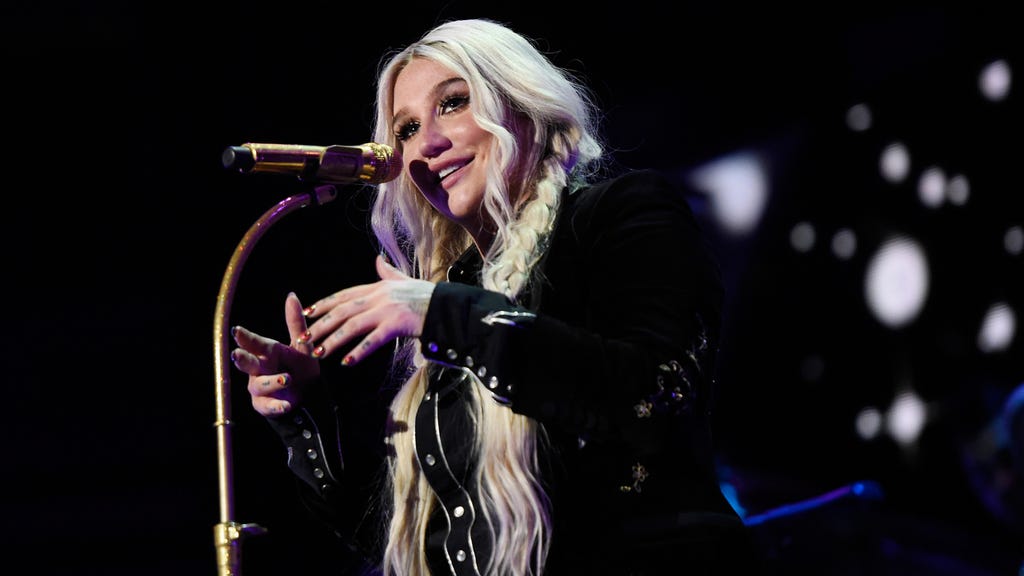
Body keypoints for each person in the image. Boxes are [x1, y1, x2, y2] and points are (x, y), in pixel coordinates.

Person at [230, 17, 759, 575]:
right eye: (405, 129)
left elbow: (652, 394)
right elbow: (412, 535)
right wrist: (304, 412)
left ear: (524, 105)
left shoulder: (621, 214)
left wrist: (447, 316)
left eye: (453, 103)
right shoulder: (455, 290)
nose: (425, 145)